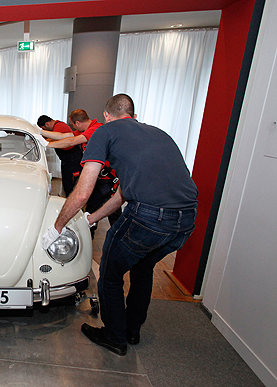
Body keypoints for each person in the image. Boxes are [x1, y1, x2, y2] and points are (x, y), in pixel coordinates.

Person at [42, 94, 198, 356]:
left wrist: (57, 227)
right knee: (142, 268)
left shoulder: (104, 132)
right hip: (186, 219)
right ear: (134, 117)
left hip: (149, 217)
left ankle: (114, 336)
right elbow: (121, 194)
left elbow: (82, 193)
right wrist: (92, 218)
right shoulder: (158, 133)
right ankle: (131, 330)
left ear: (106, 116)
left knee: (110, 274)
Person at [39, 109, 121, 237]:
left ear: (77, 123)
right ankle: (89, 236)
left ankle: (118, 238)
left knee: (112, 211)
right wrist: (41, 133)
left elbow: (72, 142)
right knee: (93, 208)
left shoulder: (96, 129)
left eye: (73, 124)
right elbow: (64, 136)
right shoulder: (85, 130)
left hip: (108, 178)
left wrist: (47, 144)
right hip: (100, 177)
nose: (72, 127)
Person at [37, 115, 83, 196]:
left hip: (73, 158)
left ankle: (71, 200)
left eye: (44, 129)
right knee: (66, 181)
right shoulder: (56, 127)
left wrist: (44, 141)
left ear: (47, 124)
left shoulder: (59, 127)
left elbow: (57, 137)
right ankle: (66, 196)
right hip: (66, 159)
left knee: (71, 183)